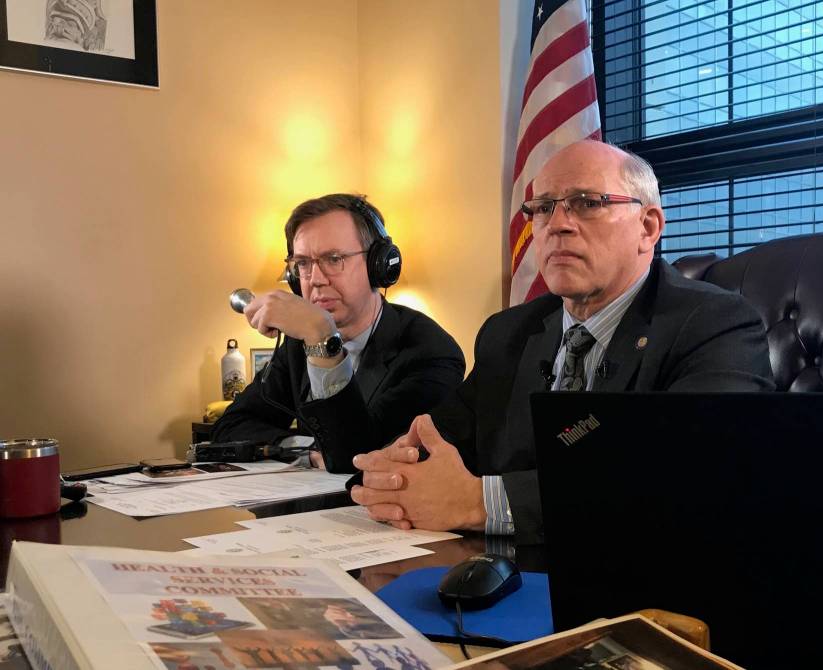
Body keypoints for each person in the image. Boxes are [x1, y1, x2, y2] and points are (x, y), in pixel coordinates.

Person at [348, 141, 775, 544]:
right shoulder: (508, 332)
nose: (557, 225)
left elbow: (690, 477)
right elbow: (438, 438)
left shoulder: (716, 324)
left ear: (648, 227)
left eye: (588, 204)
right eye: (543, 208)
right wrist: (394, 474)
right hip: (504, 575)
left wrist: (480, 503)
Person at [211, 194, 465, 472]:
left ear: (378, 265)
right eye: (304, 264)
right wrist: (306, 449)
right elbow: (230, 426)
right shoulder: (298, 343)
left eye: (333, 259)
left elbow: (358, 456)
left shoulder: (432, 352)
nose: (316, 279)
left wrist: (322, 341)